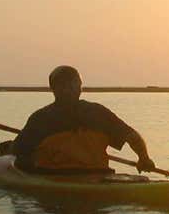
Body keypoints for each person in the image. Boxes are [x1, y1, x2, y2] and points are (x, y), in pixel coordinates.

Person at [12, 66, 156, 175]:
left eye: (73, 85)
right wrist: (144, 158)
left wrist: (144, 158)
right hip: (95, 177)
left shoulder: (41, 118)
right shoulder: (42, 118)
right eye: (66, 85)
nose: (70, 89)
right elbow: (131, 136)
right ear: (55, 88)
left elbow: (17, 153)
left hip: (59, 177)